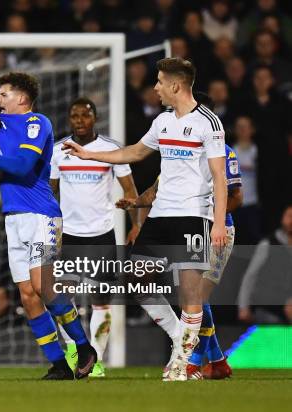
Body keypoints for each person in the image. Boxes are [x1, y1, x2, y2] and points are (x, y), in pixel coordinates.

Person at [64, 57, 228, 381]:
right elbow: (135, 152)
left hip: (192, 215)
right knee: (137, 280)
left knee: (190, 294)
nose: (155, 87)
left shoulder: (208, 123)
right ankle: (177, 344)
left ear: (175, 85)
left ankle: (181, 364)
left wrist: (219, 223)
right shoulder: (163, 122)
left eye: (159, 81)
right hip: (161, 213)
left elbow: (220, 177)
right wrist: (90, 154)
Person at [0, 72, 97, 380]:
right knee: (27, 296)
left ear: (21, 98)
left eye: (3, 94)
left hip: (42, 216)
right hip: (13, 219)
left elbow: (22, 166)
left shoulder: (37, 123)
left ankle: (84, 347)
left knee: (43, 286)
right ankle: (58, 364)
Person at [118, 141, 243, 380]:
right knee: (163, 287)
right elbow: (158, 190)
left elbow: (236, 197)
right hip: (181, 229)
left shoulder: (223, 153)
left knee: (195, 294)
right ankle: (216, 360)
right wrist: (136, 205)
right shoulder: (178, 150)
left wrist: (208, 214)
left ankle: (191, 361)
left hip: (216, 230)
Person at [50, 96, 140, 377]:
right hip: (69, 236)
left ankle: (96, 360)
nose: (79, 121)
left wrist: (135, 223)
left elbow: (131, 191)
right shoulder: (57, 151)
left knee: (101, 300)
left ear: (95, 118)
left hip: (101, 234)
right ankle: (76, 353)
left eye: (85, 115)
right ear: (69, 120)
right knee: (63, 299)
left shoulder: (112, 150)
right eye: (74, 116)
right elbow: (50, 193)